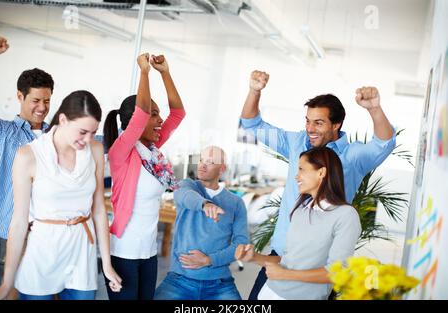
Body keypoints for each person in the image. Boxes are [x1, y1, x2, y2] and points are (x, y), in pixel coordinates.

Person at [240, 70, 396, 299]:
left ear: (336, 125)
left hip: (318, 266)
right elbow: (252, 124)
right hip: (281, 253)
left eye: (319, 123)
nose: (310, 129)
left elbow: (384, 143)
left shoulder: (352, 157)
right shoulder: (296, 142)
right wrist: (254, 90)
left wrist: (374, 108)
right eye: (308, 121)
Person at [0, 90, 122, 300]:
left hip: (81, 251)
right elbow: (19, 222)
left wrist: (107, 265)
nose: (88, 139)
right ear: (63, 120)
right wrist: (7, 283)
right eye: (82, 131)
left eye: (93, 132)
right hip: (43, 251)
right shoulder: (29, 155)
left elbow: (99, 210)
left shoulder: (95, 149)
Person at [103, 53, 185, 300]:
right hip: (124, 251)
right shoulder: (121, 151)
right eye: (153, 114)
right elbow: (139, 117)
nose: (160, 120)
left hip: (148, 253)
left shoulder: (153, 151)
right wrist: (145, 72)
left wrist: (165, 72)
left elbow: (178, 113)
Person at [237, 147, 361, 300]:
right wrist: (254, 257)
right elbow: (288, 260)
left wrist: (285, 274)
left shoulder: (345, 215)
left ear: (321, 172)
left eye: (302, 169)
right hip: (270, 291)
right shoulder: (301, 210)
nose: (297, 177)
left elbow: (337, 272)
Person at [154, 146, 249, 300]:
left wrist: (209, 260)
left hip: (219, 283)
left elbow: (241, 245)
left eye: (210, 162)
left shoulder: (236, 203)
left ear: (222, 169)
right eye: (201, 160)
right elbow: (184, 195)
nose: (202, 165)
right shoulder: (186, 186)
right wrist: (205, 204)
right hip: (180, 280)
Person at [0, 68, 54, 284]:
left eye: (47, 101)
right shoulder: (4, 131)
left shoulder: (55, 136)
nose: (42, 108)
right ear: (20, 96)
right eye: (36, 100)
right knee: (9, 290)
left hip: (45, 231)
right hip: (9, 230)